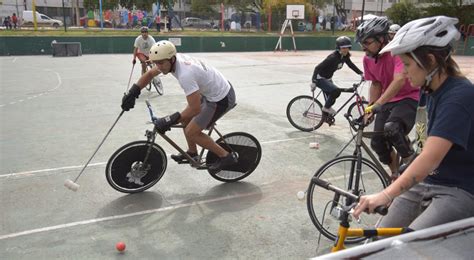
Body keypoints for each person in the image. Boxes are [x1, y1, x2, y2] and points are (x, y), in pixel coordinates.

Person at [353, 15, 474, 230]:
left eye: (407, 64)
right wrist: (400, 179)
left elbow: (430, 158)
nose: (403, 71)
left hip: (458, 189)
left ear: (431, 60)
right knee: (380, 239)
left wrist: (387, 193)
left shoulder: (460, 96)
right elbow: (421, 142)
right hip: (425, 183)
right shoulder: (427, 91)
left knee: (410, 245)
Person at [121, 40, 238, 172]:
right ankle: (192, 152)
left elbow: (195, 109)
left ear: (171, 59)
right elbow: (149, 74)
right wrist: (133, 92)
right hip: (211, 90)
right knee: (185, 119)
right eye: (155, 63)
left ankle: (226, 157)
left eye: (160, 63)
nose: (158, 67)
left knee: (191, 131)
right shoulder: (171, 60)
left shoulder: (185, 74)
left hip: (221, 98)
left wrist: (169, 120)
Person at [356, 17, 420, 177]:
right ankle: (395, 175)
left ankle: (414, 170)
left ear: (382, 39)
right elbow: (376, 84)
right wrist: (370, 108)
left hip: (410, 97)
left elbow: (399, 79)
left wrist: (379, 103)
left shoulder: (396, 52)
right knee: (378, 142)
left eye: (367, 42)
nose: (364, 48)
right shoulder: (368, 59)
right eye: (361, 43)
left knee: (392, 128)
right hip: (388, 100)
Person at [311, 36, 364, 114]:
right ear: (338, 48)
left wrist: (361, 74)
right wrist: (314, 81)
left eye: (348, 47)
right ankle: (326, 108)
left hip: (328, 78)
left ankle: (326, 115)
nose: (346, 50)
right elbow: (317, 67)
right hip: (320, 78)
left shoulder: (344, 56)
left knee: (333, 98)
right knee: (336, 91)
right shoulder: (332, 57)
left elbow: (351, 65)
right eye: (343, 48)